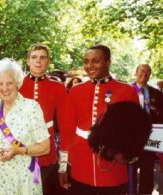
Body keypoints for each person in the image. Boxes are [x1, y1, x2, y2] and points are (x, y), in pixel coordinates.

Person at [59, 45, 139, 195]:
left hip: (113, 169)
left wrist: (126, 154)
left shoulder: (126, 90)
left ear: (108, 62)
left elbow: (136, 130)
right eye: (86, 61)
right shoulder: (76, 91)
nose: (89, 66)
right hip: (81, 167)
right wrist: (63, 166)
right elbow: (67, 131)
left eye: (95, 61)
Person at [0, 58, 50, 194]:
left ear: (17, 84)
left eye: (9, 83)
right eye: (0, 83)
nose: (4, 88)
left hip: (22, 178)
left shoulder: (31, 107)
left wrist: (18, 151)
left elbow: (45, 148)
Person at [19, 43, 67, 195]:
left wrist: (64, 163)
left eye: (42, 57)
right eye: (34, 57)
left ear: (48, 61)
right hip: (18, 147)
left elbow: (66, 125)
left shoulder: (58, 87)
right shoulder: (16, 84)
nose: (38, 61)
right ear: (28, 61)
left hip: (48, 150)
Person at [132, 64, 163, 194]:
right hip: (131, 138)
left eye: (147, 72)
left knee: (147, 168)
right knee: (130, 168)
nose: (144, 74)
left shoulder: (156, 93)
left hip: (150, 137)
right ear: (136, 73)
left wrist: (154, 109)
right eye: (141, 71)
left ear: (150, 75)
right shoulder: (127, 90)